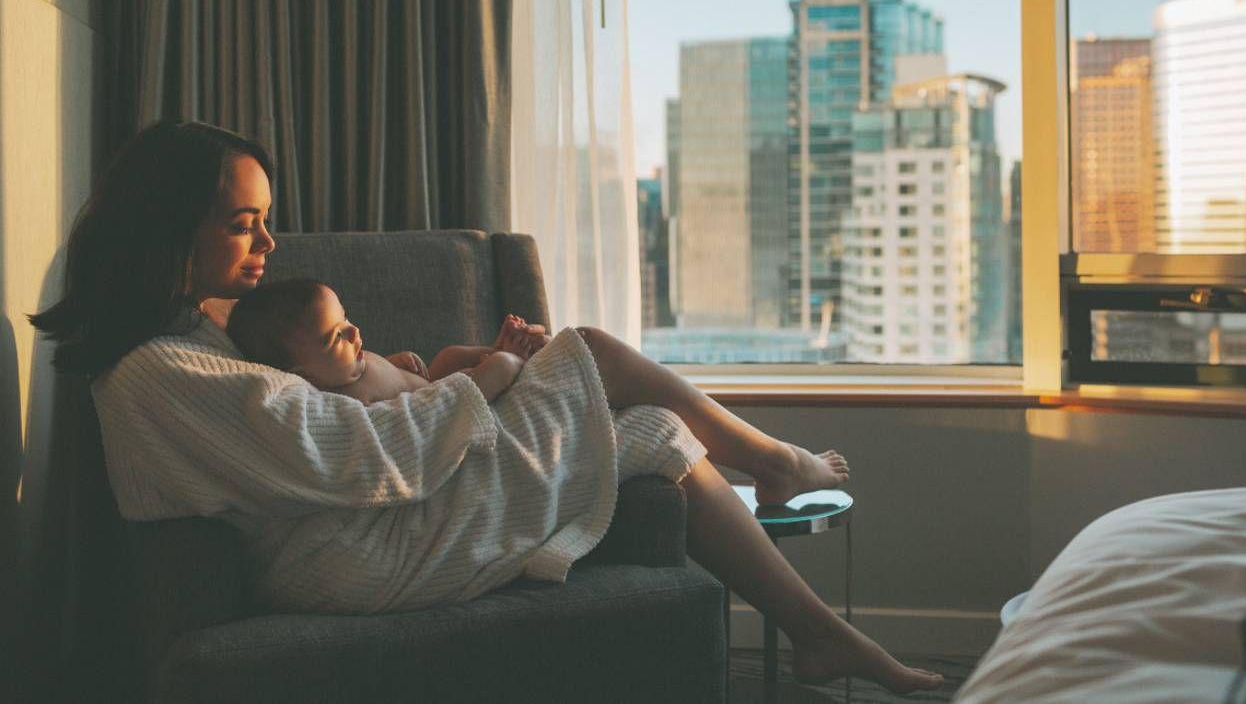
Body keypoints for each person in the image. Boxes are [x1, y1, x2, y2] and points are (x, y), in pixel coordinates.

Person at [32, 120, 942, 694]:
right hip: (354, 550)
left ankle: (817, 635)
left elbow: (319, 426)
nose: (270, 241)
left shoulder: (197, 331)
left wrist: (418, 375)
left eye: (267, 219)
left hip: (363, 519)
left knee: (658, 431)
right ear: (168, 227)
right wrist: (491, 380)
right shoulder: (158, 374)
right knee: (588, 350)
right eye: (244, 224)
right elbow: (353, 456)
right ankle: (777, 465)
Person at [225, 278, 533, 405]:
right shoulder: (342, 400)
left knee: (450, 355)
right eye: (337, 337)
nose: (353, 332)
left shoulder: (344, 366)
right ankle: (507, 358)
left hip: (429, 379)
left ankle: (494, 350)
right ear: (305, 377)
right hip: (443, 402)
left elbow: (381, 373)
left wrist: (394, 361)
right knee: (499, 367)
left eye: (345, 319)